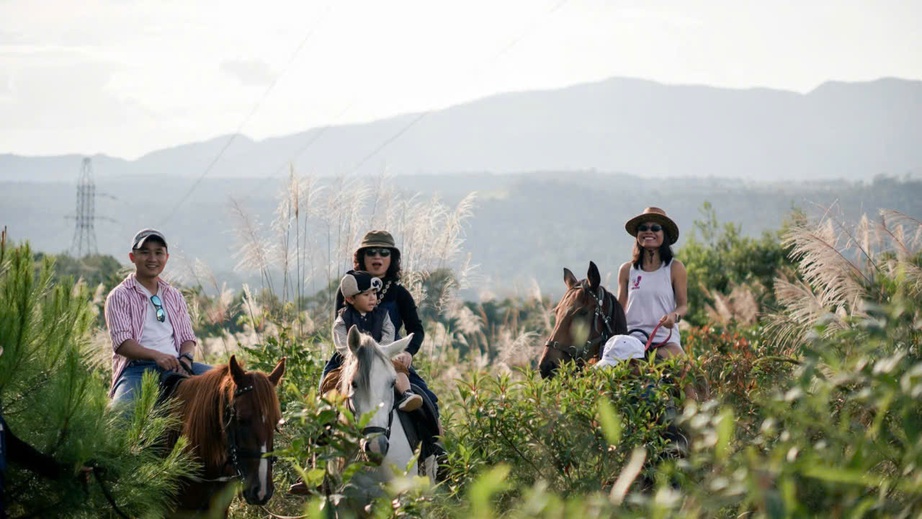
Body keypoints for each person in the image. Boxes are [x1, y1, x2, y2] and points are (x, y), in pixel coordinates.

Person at [335, 230, 440, 414]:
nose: (378, 256)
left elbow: (416, 328)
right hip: (350, 357)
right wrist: (351, 354)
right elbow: (340, 323)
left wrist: (408, 352)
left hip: (390, 356)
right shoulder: (347, 288)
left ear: (392, 258)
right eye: (371, 252)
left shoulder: (400, 293)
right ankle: (319, 439)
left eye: (384, 252)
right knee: (325, 391)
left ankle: (435, 442)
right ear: (362, 256)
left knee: (428, 402)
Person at [105, 229, 210, 408]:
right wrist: (157, 356)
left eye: (158, 253)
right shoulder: (120, 295)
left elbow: (187, 338)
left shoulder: (174, 295)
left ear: (166, 257)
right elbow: (122, 343)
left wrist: (185, 359)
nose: (152, 258)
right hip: (137, 369)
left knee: (229, 384)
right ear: (132, 257)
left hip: (178, 364)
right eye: (145, 252)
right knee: (121, 419)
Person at [617, 207, 697, 401]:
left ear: (664, 235)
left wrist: (673, 316)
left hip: (664, 341)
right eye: (644, 227)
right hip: (632, 340)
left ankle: (694, 422)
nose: (649, 231)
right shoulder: (627, 270)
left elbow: (683, 305)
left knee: (689, 384)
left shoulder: (675, 268)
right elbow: (619, 308)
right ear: (637, 235)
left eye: (655, 228)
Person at [320, 270, 423, 412]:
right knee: (332, 378)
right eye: (366, 295)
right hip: (351, 359)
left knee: (398, 368)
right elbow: (341, 342)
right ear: (351, 299)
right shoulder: (343, 318)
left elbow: (389, 332)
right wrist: (354, 354)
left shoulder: (382, 315)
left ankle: (406, 393)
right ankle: (327, 410)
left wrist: (380, 350)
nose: (372, 298)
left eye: (374, 293)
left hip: (380, 356)